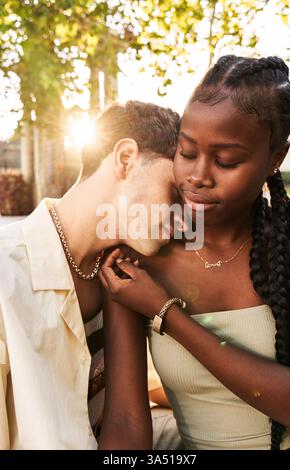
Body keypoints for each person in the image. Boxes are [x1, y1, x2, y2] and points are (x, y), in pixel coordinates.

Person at [100, 55, 290, 450]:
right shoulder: (140, 257)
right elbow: (124, 418)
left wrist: (166, 314)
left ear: (275, 159)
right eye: (187, 152)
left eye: (225, 161)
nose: (197, 176)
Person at [0, 100, 181, 449]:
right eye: (173, 193)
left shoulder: (119, 272)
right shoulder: (7, 274)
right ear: (126, 158)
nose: (180, 220)